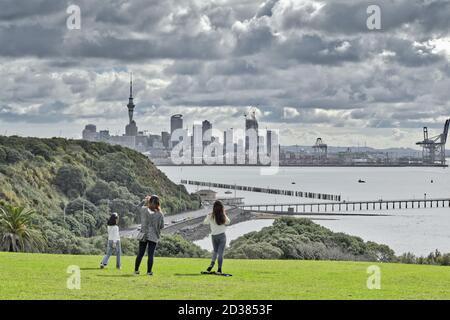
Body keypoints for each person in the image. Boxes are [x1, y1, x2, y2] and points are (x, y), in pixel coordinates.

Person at [134, 195, 164, 276]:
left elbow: (137, 207)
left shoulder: (144, 210)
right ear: (158, 204)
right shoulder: (160, 214)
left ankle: (136, 271)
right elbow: (162, 226)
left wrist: (145, 200)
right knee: (150, 255)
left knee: (140, 254)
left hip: (143, 234)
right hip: (153, 235)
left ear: (149, 202)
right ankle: (149, 272)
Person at [203, 200, 230, 274]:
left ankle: (210, 266)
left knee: (215, 252)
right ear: (222, 208)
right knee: (220, 253)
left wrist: (207, 215)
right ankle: (219, 269)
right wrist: (224, 214)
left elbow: (205, 222)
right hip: (222, 236)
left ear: (214, 207)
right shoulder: (223, 216)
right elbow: (228, 222)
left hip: (214, 237)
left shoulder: (211, 216)